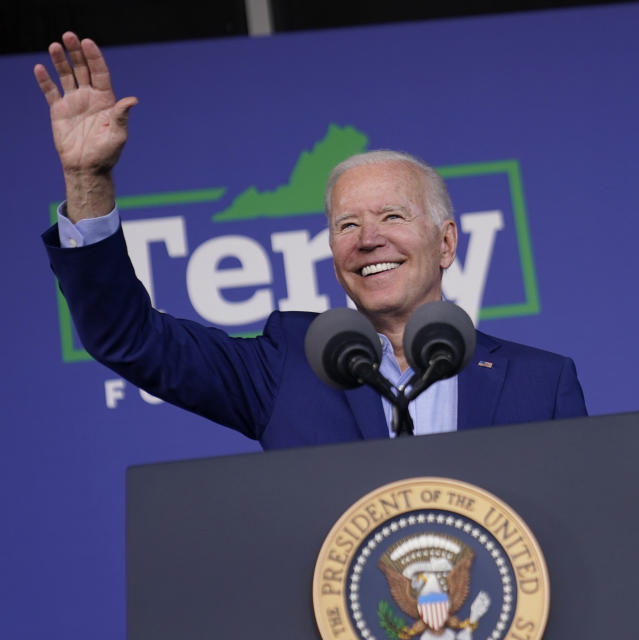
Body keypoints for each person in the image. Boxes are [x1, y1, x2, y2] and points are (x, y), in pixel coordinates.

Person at [35, 33, 587, 449]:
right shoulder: (288, 365)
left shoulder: (541, 383)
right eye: (347, 225)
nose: (368, 239)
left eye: (392, 216)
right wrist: (89, 179)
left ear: (445, 243)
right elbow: (126, 338)